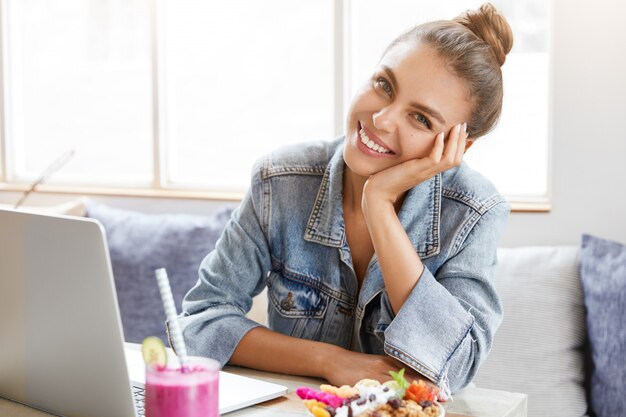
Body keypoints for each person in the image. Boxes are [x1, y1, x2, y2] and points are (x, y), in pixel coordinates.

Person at [178, 3, 513, 397]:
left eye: (421, 119)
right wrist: (330, 360)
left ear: (459, 145)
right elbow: (200, 321)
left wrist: (379, 207)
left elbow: (453, 367)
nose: (383, 119)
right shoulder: (280, 182)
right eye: (384, 86)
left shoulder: (473, 212)